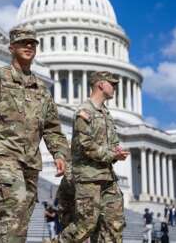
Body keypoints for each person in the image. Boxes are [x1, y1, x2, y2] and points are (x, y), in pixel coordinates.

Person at [0, 26, 69, 242]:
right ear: (11, 47)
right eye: (23, 42)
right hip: (1, 159)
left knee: (16, 228)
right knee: (14, 216)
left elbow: (53, 129)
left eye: (32, 43)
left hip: (30, 165)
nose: (29, 46)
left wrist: (60, 154)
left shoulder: (42, 90)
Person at [52, 71, 130, 243]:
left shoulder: (106, 114)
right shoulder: (84, 111)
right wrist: (111, 154)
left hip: (108, 178)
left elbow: (112, 144)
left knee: (114, 225)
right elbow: (86, 145)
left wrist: (117, 153)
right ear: (101, 85)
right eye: (112, 84)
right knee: (85, 225)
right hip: (88, 177)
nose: (115, 87)